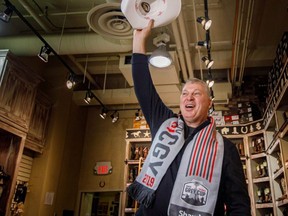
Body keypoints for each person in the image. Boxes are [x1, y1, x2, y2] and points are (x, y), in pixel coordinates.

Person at [127, 19, 251, 216]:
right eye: (184, 93)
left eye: (196, 93)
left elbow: (239, 205)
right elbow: (143, 88)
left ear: (209, 103)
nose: (189, 97)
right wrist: (138, 42)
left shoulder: (225, 149)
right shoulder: (164, 123)